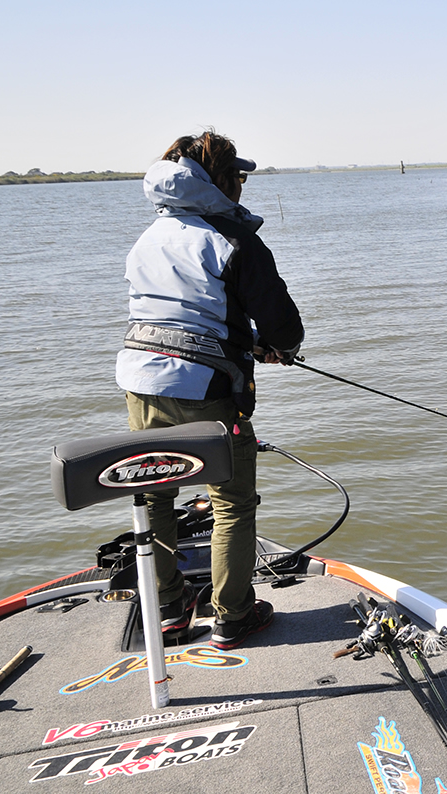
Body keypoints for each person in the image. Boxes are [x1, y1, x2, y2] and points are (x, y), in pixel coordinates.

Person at [116, 129, 304, 650]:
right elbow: (285, 328)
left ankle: (169, 612)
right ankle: (233, 616)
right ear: (217, 181)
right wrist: (270, 344)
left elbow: (176, 311)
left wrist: (242, 339)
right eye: (238, 176)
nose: (243, 185)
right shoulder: (233, 238)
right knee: (232, 504)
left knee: (154, 498)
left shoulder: (148, 237)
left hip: (140, 383)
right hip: (209, 390)